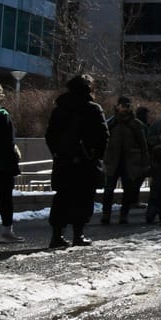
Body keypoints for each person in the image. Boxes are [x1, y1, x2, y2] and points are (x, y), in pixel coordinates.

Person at [44, 74, 109, 248]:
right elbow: (103, 136)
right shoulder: (93, 109)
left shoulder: (60, 108)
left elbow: (50, 135)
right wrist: (96, 156)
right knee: (83, 198)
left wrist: (58, 153)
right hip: (85, 162)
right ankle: (78, 235)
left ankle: (56, 236)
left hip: (63, 161)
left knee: (62, 197)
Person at [101, 96, 150, 225]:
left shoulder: (136, 124)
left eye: (127, 106)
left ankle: (124, 215)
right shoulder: (112, 122)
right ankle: (106, 214)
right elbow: (103, 139)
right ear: (117, 107)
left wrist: (145, 163)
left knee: (128, 191)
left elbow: (143, 145)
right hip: (113, 161)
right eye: (122, 105)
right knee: (108, 190)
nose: (124, 108)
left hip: (130, 162)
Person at [0, 83, 23, 242]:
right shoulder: (2, 114)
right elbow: (9, 142)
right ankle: (7, 231)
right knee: (5, 199)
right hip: (2, 165)